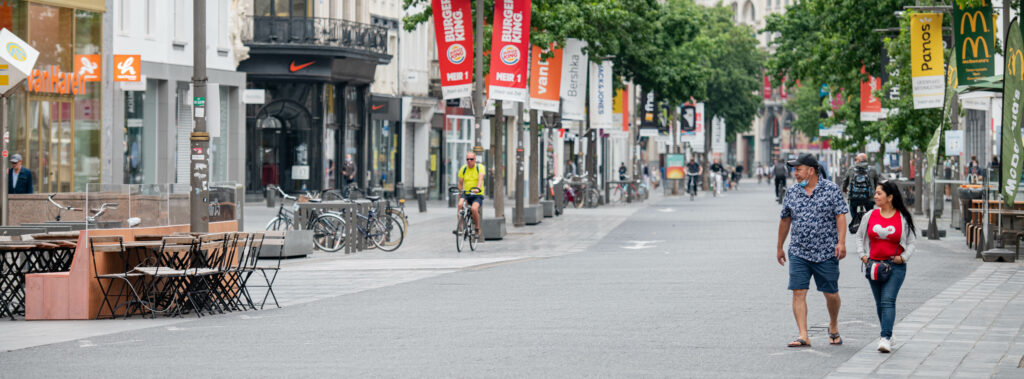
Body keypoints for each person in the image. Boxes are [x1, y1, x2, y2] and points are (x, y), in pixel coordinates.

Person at [777, 153, 849, 348]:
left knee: (831, 294)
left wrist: (841, 242)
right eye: (794, 170)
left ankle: (833, 324)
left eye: (798, 169)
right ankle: (803, 335)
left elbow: (840, 216)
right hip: (799, 251)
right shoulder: (792, 192)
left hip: (826, 251)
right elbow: (785, 220)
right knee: (798, 291)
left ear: (811, 170)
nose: (795, 173)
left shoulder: (831, 189)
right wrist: (780, 247)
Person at [855, 180, 917, 353]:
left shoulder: (902, 218)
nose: (875, 196)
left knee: (887, 300)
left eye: (879, 193)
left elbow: (912, 242)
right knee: (879, 303)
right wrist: (863, 255)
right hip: (873, 266)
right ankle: (888, 332)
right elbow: (859, 236)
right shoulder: (869, 216)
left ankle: (885, 338)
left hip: (895, 266)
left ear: (890, 197)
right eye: (875, 193)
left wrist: (903, 258)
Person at [842, 153, 880, 234]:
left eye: (856, 159)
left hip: (854, 197)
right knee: (870, 212)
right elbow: (877, 183)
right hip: (868, 198)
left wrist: (844, 189)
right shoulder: (872, 169)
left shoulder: (851, 169)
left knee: (852, 207)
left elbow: (845, 181)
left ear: (859, 160)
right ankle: (869, 226)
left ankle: (856, 223)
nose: (855, 161)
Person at [456, 152, 486, 236]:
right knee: (460, 205)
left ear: (475, 159)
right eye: (467, 159)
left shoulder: (480, 167)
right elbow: (460, 183)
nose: (469, 161)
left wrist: (477, 188)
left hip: (477, 194)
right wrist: (459, 193)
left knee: (474, 209)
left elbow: (480, 179)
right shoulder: (463, 169)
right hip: (466, 193)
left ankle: (477, 228)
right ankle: (460, 227)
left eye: (471, 159)